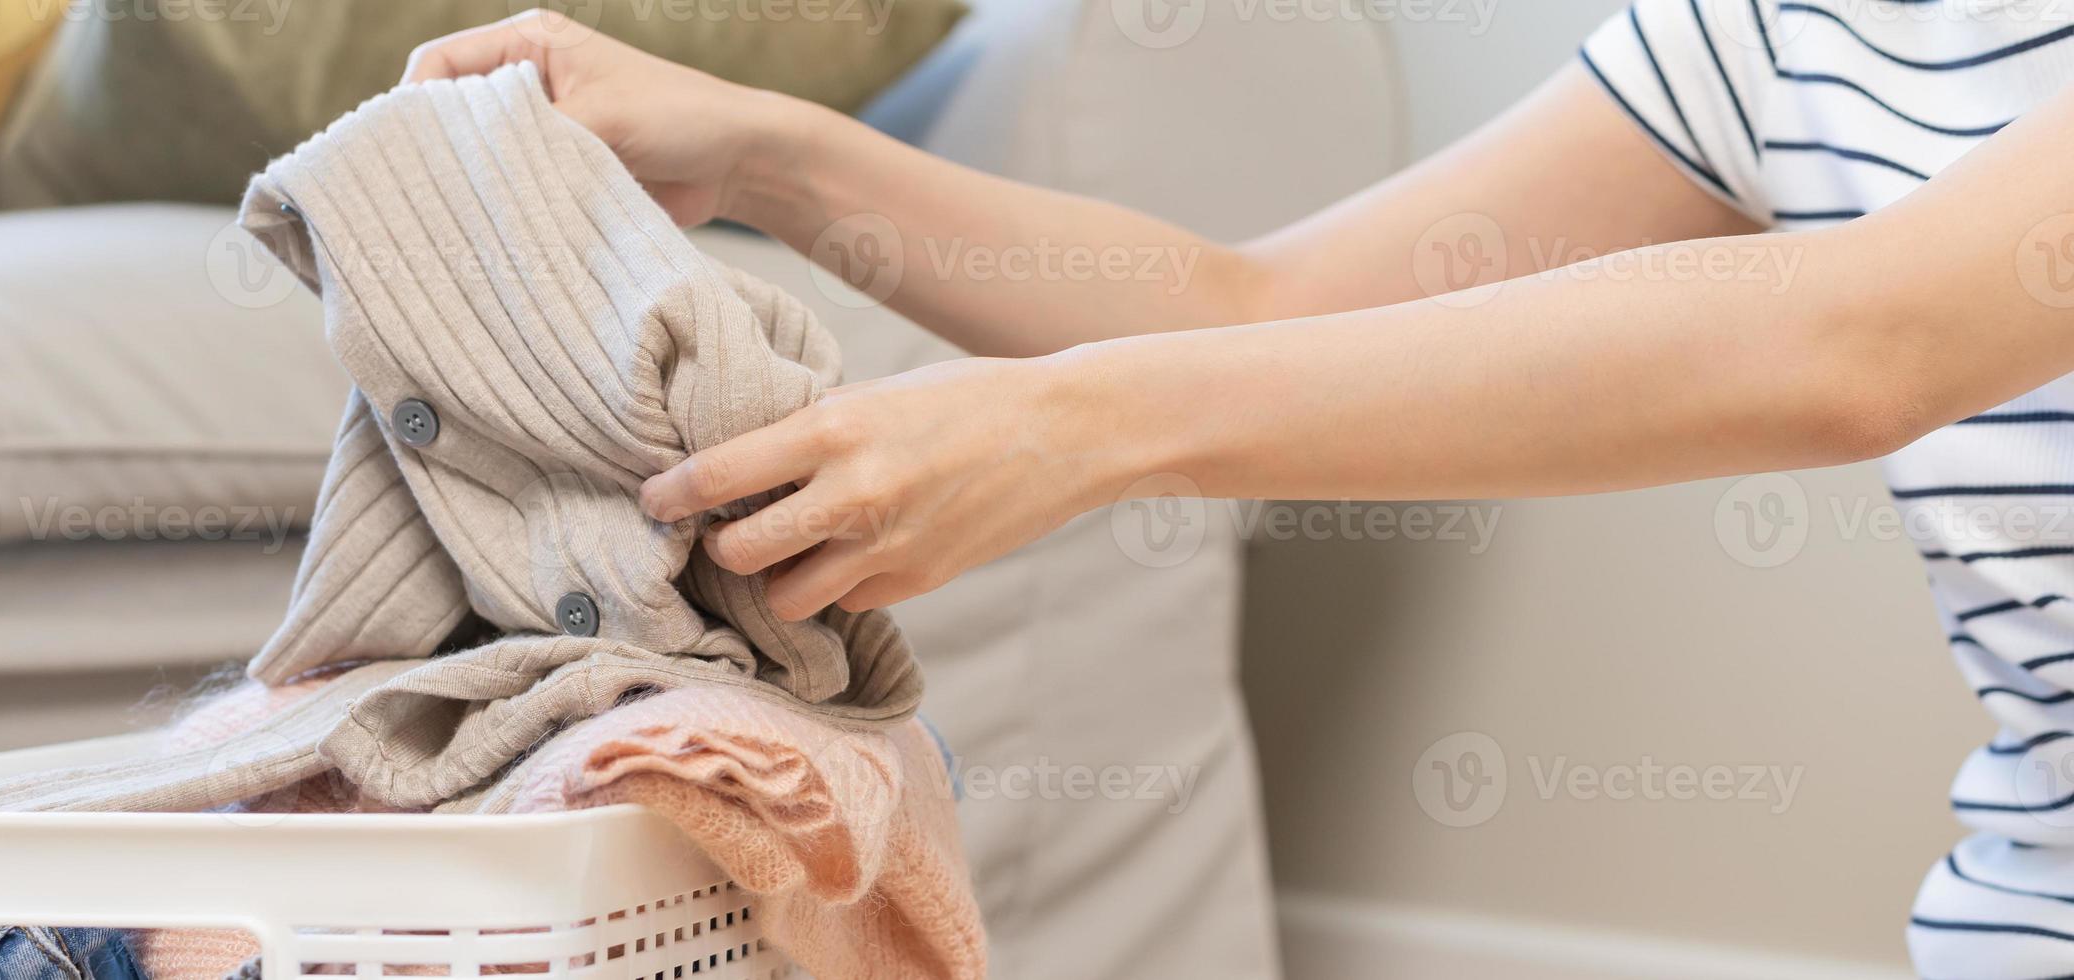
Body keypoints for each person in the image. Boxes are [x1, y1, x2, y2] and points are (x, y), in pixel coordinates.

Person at [407, 3, 2074, 973]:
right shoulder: (1796, 29)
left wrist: (1083, 428)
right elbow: (1263, 312)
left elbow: (1875, 341)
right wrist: (770, 148)